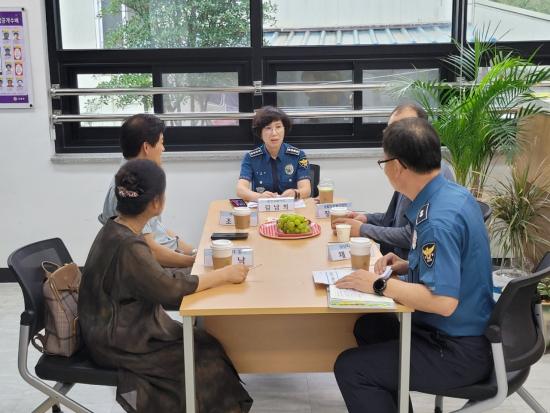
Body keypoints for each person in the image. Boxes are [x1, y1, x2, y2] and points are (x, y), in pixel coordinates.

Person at [333, 118, 494, 413]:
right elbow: (453, 261)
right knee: (370, 327)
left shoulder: (437, 221)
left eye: (383, 162)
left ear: (397, 166)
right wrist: (407, 265)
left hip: (455, 350)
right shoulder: (450, 195)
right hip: (458, 333)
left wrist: (378, 284)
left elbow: (443, 302)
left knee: (351, 368)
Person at [80, 159, 253, 412]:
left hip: (110, 328)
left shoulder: (115, 228)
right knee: (203, 358)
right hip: (120, 342)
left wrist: (198, 269)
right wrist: (223, 275)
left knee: (205, 343)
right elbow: (170, 291)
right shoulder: (130, 246)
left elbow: (155, 277)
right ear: (156, 203)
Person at [334, 103, 454, 259]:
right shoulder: (410, 174)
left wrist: (363, 229)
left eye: (403, 127)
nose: (395, 136)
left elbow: (413, 235)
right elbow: (393, 219)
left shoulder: (431, 178)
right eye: (391, 129)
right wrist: (367, 218)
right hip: (402, 262)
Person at [98, 113, 196, 269]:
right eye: (161, 143)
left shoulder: (133, 176)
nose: (163, 148)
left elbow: (160, 231)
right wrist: (194, 262)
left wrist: (196, 252)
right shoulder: (131, 187)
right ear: (146, 147)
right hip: (155, 269)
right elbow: (150, 251)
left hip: (166, 259)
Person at [237, 106, 311, 202]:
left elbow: (306, 189)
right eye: (268, 128)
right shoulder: (251, 157)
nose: (274, 133)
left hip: (290, 208)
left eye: (278, 127)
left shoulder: (298, 155)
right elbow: (240, 190)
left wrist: (295, 193)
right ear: (260, 132)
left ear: (284, 129)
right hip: (263, 207)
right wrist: (259, 197)